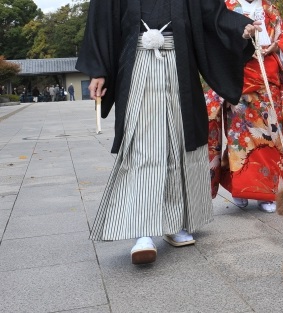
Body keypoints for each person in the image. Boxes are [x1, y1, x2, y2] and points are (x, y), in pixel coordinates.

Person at [75, 0, 261, 264]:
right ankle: (143, 232)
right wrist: (99, 71)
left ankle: (176, 224)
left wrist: (239, 27)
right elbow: (102, 20)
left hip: (179, 66)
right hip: (137, 64)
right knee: (142, 145)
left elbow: (211, 13)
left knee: (179, 144)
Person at [205, 0, 283, 212]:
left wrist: (277, 46)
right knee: (239, 139)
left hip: (268, 79)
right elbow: (216, 39)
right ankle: (241, 190)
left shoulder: (269, 8)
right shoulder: (227, 7)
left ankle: (268, 194)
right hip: (239, 80)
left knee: (270, 138)